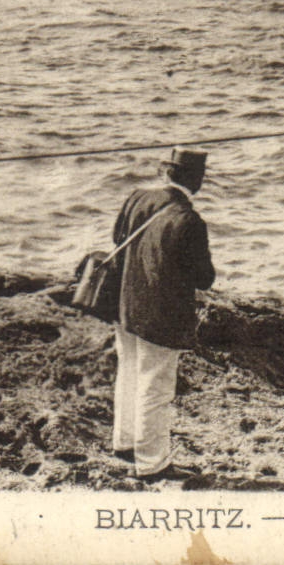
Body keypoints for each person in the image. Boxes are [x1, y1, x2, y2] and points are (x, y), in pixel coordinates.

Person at [111, 147, 217, 482]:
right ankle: (152, 463)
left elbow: (117, 239)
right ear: (196, 181)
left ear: (165, 172)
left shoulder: (136, 198)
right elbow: (204, 278)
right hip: (162, 316)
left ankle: (125, 443)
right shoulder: (189, 219)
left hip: (125, 304)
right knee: (155, 388)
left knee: (128, 373)